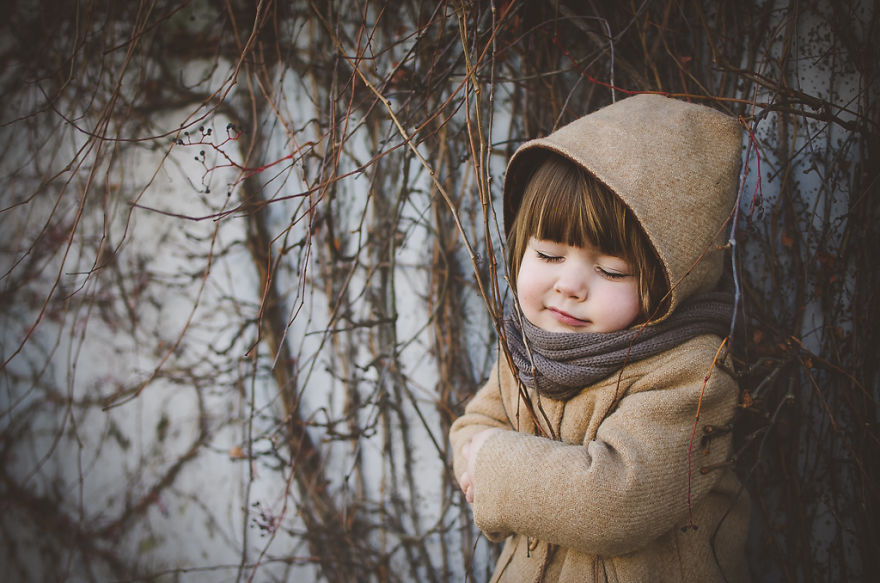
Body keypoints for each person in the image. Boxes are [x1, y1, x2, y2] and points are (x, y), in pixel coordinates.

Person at [449, 94, 750, 582]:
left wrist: (489, 462)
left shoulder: (690, 376)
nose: (569, 284)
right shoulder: (528, 346)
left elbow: (612, 502)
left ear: (669, 279)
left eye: (611, 269)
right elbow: (475, 424)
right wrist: (475, 447)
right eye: (547, 255)